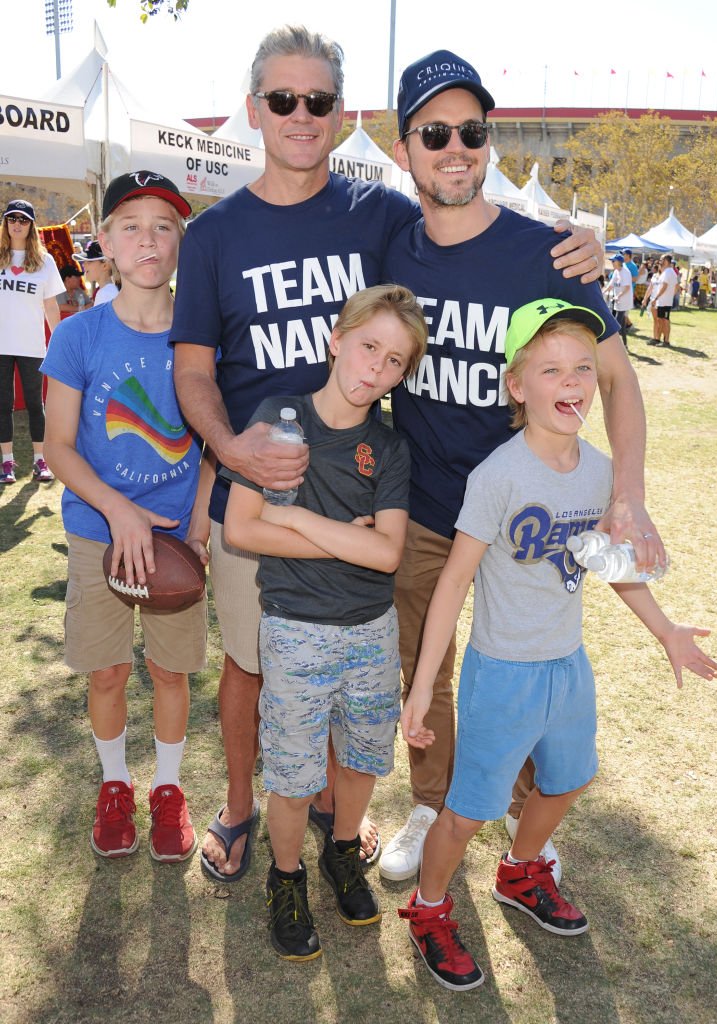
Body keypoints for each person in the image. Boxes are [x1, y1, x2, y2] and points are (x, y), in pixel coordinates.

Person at [170, 24, 604, 882]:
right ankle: (240, 805)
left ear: (342, 114)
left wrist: (576, 238)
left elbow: (467, 221)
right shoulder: (217, 232)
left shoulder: (384, 216)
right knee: (254, 662)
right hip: (266, 489)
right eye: (284, 99)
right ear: (255, 108)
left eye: (319, 100)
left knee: (371, 664)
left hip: (377, 491)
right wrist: (230, 451)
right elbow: (192, 368)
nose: (301, 115)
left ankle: (348, 812)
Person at [377, 50, 665, 883]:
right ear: (405, 151)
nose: (455, 147)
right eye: (435, 133)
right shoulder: (393, 250)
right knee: (423, 668)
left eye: (472, 130)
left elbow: (615, 376)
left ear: (488, 140)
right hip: (431, 507)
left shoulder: (551, 253)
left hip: (536, 516)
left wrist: (629, 498)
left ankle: (518, 807)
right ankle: (432, 800)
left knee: (536, 667)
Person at [397, 297, 717, 991]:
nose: (570, 382)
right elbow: (453, 583)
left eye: (581, 367)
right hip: (502, 675)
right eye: (550, 369)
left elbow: (611, 567)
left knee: (570, 779)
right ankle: (428, 909)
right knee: (469, 811)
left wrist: (665, 630)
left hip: (567, 668)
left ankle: (520, 873)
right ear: (517, 386)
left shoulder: (604, 473)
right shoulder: (498, 476)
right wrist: (424, 686)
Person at [219, 284, 426, 960]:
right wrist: (344, 534)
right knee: (293, 773)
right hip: (296, 626)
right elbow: (244, 528)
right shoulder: (279, 417)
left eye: (395, 361)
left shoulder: (388, 447)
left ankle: (343, 851)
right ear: (337, 339)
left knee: (362, 760)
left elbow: (388, 551)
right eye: (369, 347)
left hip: (371, 630)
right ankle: (285, 880)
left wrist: (299, 517)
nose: (376, 368)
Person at [41, 171, 211, 863]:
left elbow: (212, 448)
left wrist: (196, 529)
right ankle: (115, 785)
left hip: (175, 539)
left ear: (180, 244)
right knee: (107, 671)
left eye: (164, 226)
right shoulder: (80, 335)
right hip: (95, 533)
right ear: (105, 240)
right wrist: (118, 511)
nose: (149, 239)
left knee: (171, 674)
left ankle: (167, 790)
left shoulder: (204, 340)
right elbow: (55, 444)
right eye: (131, 225)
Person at [0, 199, 63, 485]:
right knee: (3, 405)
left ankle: (40, 460)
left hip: (32, 345)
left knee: (37, 405)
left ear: (31, 225)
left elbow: (50, 306)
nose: (17, 224)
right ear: (5, 223)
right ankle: (6, 462)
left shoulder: (44, 260)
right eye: (11, 218)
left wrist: (60, 341)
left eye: (23, 219)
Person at [603, 253, 634, 346]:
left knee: (616, 323)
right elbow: (611, 284)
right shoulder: (616, 271)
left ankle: (612, 345)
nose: (612, 263)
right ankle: (624, 344)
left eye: (613, 261)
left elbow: (627, 287)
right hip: (618, 301)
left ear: (619, 262)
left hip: (624, 301)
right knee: (622, 324)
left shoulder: (625, 272)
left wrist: (618, 296)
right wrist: (603, 292)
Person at [77, 239, 119, 306]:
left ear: (105, 266)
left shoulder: (107, 293)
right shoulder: (106, 291)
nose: (84, 264)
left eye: (89, 261)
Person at [647, 254, 677, 347]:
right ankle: (658, 339)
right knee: (660, 320)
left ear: (666, 261)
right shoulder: (667, 272)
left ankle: (666, 341)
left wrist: (656, 298)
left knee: (665, 320)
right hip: (662, 301)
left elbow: (664, 286)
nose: (660, 261)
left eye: (662, 259)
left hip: (664, 302)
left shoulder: (668, 272)